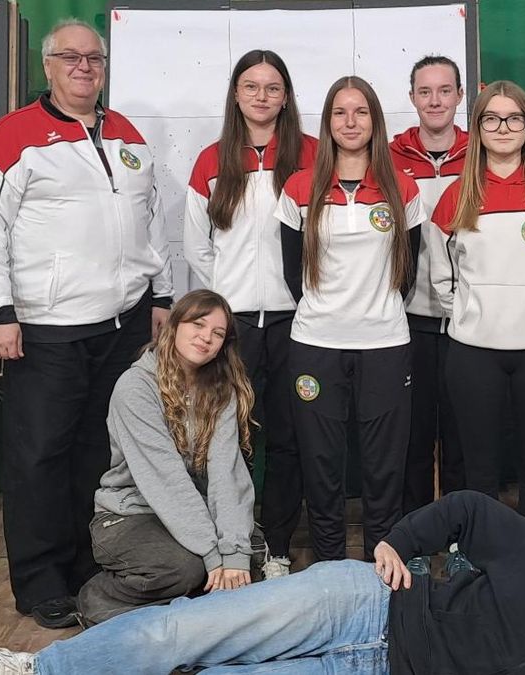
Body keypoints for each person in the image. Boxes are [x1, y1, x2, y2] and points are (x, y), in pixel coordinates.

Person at [0, 491, 525, 674]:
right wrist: (396, 540)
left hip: (372, 670)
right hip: (365, 598)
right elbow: (467, 509)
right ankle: (33, 670)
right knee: (185, 629)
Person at [0, 18, 172, 628]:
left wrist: (160, 294)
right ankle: (40, 582)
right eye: (71, 57)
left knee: (101, 453)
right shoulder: (12, 139)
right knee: (40, 459)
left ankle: (90, 567)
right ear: (47, 66)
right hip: (46, 326)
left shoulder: (128, 133)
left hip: (125, 324)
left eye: (94, 58)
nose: (85, 67)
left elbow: (152, 217)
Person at [276, 75, 425, 562]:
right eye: (340, 113)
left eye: (360, 112)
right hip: (316, 343)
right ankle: (330, 569)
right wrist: (333, 311)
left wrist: (370, 311)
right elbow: (293, 272)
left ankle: (381, 573)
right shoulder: (299, 188)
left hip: (384, 342)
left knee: (384, 469)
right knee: (322, 466)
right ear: (327, 122)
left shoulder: (402, 188)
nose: (350, 122)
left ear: (375, 120)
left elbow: (409, 269)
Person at [183, 49, 318, 580]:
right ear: (236, 95)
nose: (262, 96)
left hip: (297, 321)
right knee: (228, 438)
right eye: (251, 86)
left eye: (272, 87)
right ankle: (230, 546)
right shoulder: (211, 160)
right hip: (234, 327)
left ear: (286, 97)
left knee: (288, 436)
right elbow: (198, 247)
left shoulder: (312, 154)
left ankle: (279, 547)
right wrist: (225, 301)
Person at [430, 80, 525, 528]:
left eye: (513, 118)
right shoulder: (456, 196)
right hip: (473, 353)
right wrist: (471, 314)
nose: (502, 127)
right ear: (477, 128)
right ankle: (481, 566)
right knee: (480, 473)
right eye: (491, 118)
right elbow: (442, 276)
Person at [75, 290, 262, 626]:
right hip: (130, 513)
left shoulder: (222, 391)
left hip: (191, 511)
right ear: (174, 325)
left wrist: (233, 552)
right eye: (198, 324)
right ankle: (99, 599)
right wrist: (211, 553)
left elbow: (226, 474)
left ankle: (181, 612)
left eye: (217, 334)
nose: (206, 338)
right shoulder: (135, 387)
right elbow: (165, 479)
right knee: (184, 568)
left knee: (249, 559)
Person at [388, 55, 468, 516]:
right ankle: (414, 542)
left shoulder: (483, 151)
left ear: (460, 95)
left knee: (462, 440)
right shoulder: (390, 157)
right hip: (409, 319)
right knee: (413, 440)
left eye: (444, 90)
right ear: (413, 97)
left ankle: (461, 538)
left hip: (469, 323)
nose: (435, 100)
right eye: (425, 91)